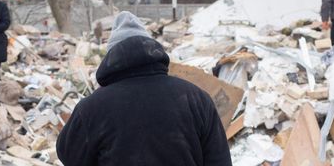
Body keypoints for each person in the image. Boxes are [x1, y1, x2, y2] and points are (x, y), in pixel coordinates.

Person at [56, 12, 231, 166]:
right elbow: (219, 160)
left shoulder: (91, 109)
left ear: (111, 57)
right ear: (152, 49)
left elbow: (68, 155)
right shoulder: (196, 99)